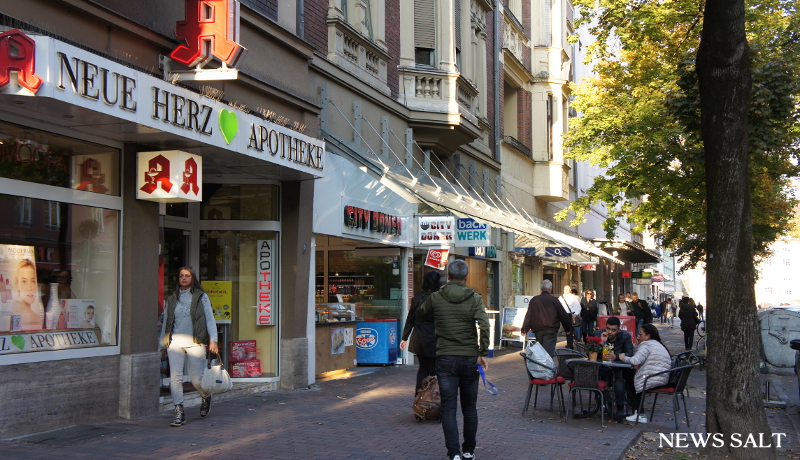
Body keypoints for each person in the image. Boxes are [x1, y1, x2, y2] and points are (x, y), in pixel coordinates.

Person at [415, 259, 489, 460]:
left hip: (446, 358)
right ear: (466, 277)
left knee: (448, 406)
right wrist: (482, 353)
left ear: (447, 276)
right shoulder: (474, 298)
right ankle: (469, 451)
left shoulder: (437, 297)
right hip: (469, 358)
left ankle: (454, 453)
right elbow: (485, 324)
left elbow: (420, 314)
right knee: (469, 407)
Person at [160, 267, 219, 427]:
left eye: (187, 276)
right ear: (178, 279)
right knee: (175, 378)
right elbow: (167, 321)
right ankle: (179, 411)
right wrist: (163, 343)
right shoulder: (172, 298)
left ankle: (205, 396)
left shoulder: (201, 297)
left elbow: (209, 319)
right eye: (181, 276)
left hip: (195, 342)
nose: (184, 278)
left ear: (193, 278)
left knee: (195, 380)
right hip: (175, 342)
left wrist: (213, 339)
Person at [619, 323, 672, 422]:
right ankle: (638, 412)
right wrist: (637, 345)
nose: (638, 336)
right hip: (661, 377)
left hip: (652, 378)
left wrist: (623, 358)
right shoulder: (656, 344)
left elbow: (635, 361)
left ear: (648, 336)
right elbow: (639, 356)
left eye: (640, 334)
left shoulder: (647, 345)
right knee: (631, 377)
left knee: (630, 382)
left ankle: (639, 413)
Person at [400, 271, 441, 394]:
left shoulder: (418, 297)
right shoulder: (438, 298)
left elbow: (410, 318)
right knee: (434, 370)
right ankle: (433, 400)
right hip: (434, 339)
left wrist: (404, 337)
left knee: (423, 368)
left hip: (418, 338)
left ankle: (419, 398)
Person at [520, 279, 573, 357]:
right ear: (550, 288)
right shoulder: (554, 300)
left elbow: (529, 315)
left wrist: (524, 329)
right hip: (551, 329)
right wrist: (567, 329)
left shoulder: (534, 300)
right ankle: (547, 367)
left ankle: (541, 367)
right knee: (548, 352)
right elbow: (563, 315)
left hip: (538, 330)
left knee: (540, 351)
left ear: (541, 288)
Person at [595, 316, 635, 417]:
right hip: (600, 366)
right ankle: (603, 402)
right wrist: (603, 342)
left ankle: (620, 406)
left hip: (617, 367)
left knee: (618, 378)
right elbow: (590, 352)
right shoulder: (598, 334)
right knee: (596, 375)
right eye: (608, 328)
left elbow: (630, 352)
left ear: (618, 329)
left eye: (613, 330)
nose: (610, 332)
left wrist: (616, 356)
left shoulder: (625, 336)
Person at [11, 259, 44, 331]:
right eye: (24, 282)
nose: (29, 288)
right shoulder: (16, 307)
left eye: (33, 281)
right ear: (17, 285)